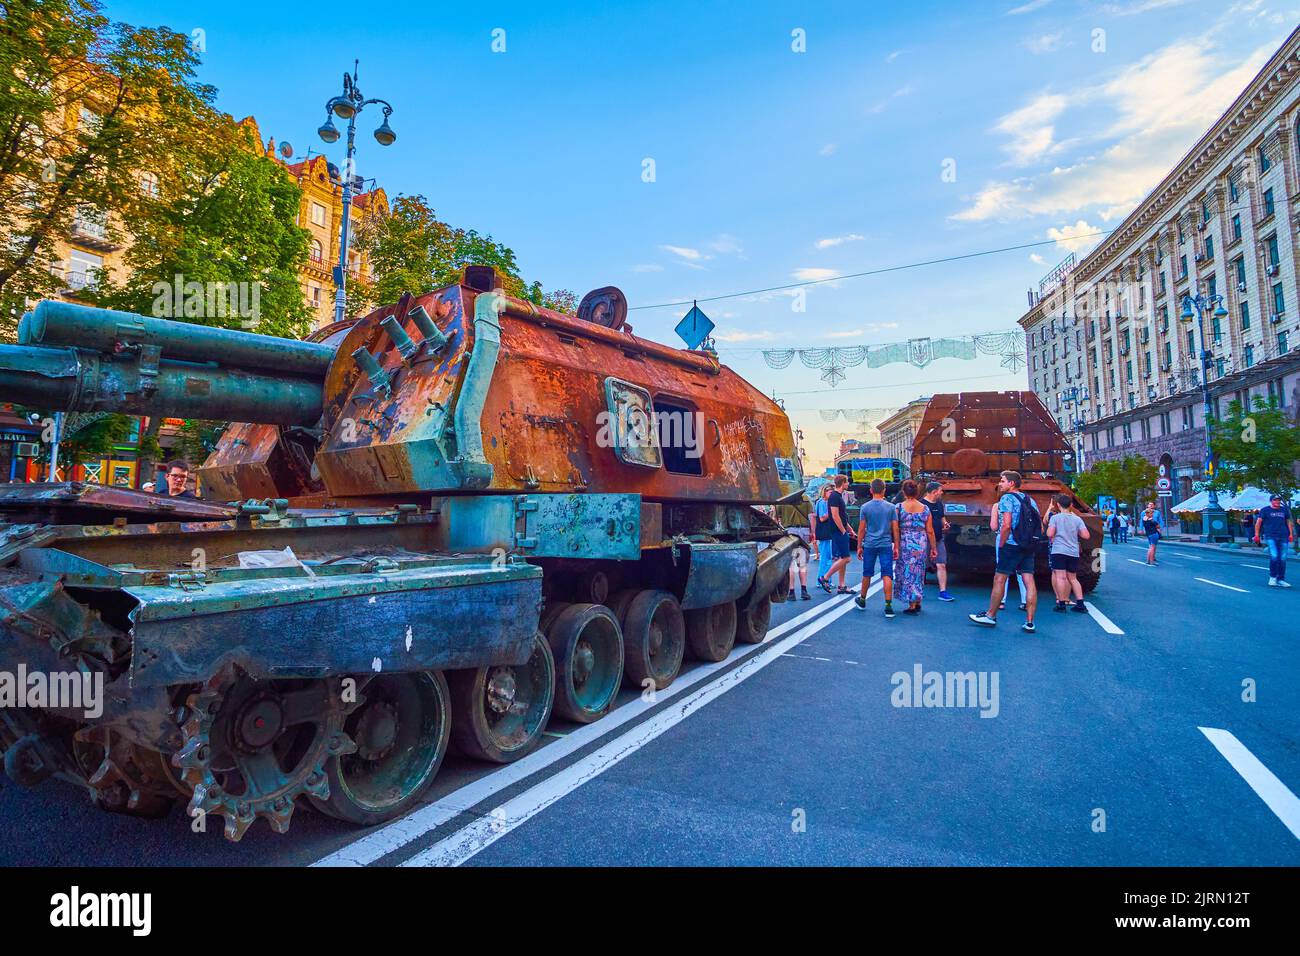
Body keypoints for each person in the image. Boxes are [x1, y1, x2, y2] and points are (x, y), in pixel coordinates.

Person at [970, 470, 1040, 633]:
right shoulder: (1030, 499)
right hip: (1027, 545)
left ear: (1011, 483)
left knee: (1000, 579)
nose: (999, 484)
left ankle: (991, 615)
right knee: (1029, 581)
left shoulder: (1006, 499)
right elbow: (1039, 524)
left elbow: (1006, 524)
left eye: (1002, 481)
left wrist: (1001, 544)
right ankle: (1030, 622)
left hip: (1011, 544)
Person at [854, 478, 899, 618]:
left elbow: (861, 529)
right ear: (884, 490)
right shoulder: (891, 507)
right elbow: (895, 529)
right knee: (887, 574)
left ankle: (862, 600)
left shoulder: (865, 507)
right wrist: (896, 546)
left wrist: (859, 546)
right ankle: (888, 606)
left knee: (867, 573)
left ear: (871, 490)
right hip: (885, 544)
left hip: (869, 544)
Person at [894, 479, 937, 615]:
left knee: (907, 571)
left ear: (904, 492)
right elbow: (930, 530)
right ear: (917, 492)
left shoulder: (899, 507)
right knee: (918, 571)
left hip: (905, 542)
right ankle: (918, 600)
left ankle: (912, 604)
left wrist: (896, 545)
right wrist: (934, 548)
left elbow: (895, 529)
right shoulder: (925, 508)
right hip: (920, 542)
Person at [1046, 493, 1090, 613]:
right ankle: (1080, 604)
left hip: (1059, 550)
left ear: (1058, 505)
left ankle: (1061, 604)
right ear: (1071, 505)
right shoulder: (1077, 519)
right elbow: (1086, 535)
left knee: (1060, 577)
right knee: (1073, 578)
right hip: (1073, 552)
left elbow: (1049, 534)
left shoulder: (1055, 518)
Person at [990, 496, 1027, 610]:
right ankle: (1025, 601)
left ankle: (1001, 600)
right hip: (1022, 538)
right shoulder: (1024, 503)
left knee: (1002, 572)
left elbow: (994, 526)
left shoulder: (997, 505)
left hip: (1005, 538)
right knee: (1022, 572)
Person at [818, 475, 853, 594]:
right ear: (843, 483)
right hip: (837, 531)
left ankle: (841, 585)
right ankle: (825, 578)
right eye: (847, 482)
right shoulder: (834, 497)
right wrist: (843, 530)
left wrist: (850, 529)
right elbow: (835, 515)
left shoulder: (838, 496)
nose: (848, 484)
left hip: (841, 530)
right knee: (847, 558)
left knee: (843, 558)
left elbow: (842, 516)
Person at [921, 481, 954, 601]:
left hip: (938, 539)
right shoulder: (921, 505)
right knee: (921, 566)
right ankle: (918, 590)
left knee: (941, 564)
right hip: (924, 540)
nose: (942, 492)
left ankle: (943, 591)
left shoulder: (939, 504)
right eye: (940, 490)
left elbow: (942, 518)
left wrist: (945, 524)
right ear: (934, 492)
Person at [1254, 493, 1295, 588]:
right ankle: (1272, 578)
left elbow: (1288, 522)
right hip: (1271, 535)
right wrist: (1256, 534)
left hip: (1283, 535)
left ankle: (1280, 579)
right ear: (1271, 501)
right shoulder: (1265, 510)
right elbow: (1258, 522)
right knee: (1274, 556)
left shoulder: (1284, 510)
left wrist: (1291, 533)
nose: (1277, 502)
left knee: (1283, 558)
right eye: (1275, 500)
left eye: (1278, 500)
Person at [811, 484, 835, 589]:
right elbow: (821, 518)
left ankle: (824, 579)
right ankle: (824, 580)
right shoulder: (822, 503)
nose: (832, 494)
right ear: (824, 492)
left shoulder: (823, 502)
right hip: (825, 532)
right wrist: (833, 513)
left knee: (826, 557)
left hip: (825, 532)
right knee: (826, 558)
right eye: (830, 492)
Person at [786, 509, 812, 601]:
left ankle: (791, 592)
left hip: (789, 531)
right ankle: (804, 590)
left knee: (791, 564)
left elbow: (778, 517)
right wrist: (813, 531)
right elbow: (811, 517)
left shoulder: (782, 499)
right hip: (804, 531)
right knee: (802, 563)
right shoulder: (806, 499)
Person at [1140, 501, 1163, 566]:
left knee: (1150, 547)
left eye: (1152, 504)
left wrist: (1160, 528)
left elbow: (1160, 521)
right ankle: (1152, 560)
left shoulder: (1146, 517)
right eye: (1149, 504)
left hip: (1149, 533)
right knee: (1152, 547)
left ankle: (1148, 560)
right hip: (1154, 533)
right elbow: (1157, 525)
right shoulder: (1151, 519)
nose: (1150, 506)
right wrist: (1141, 529)